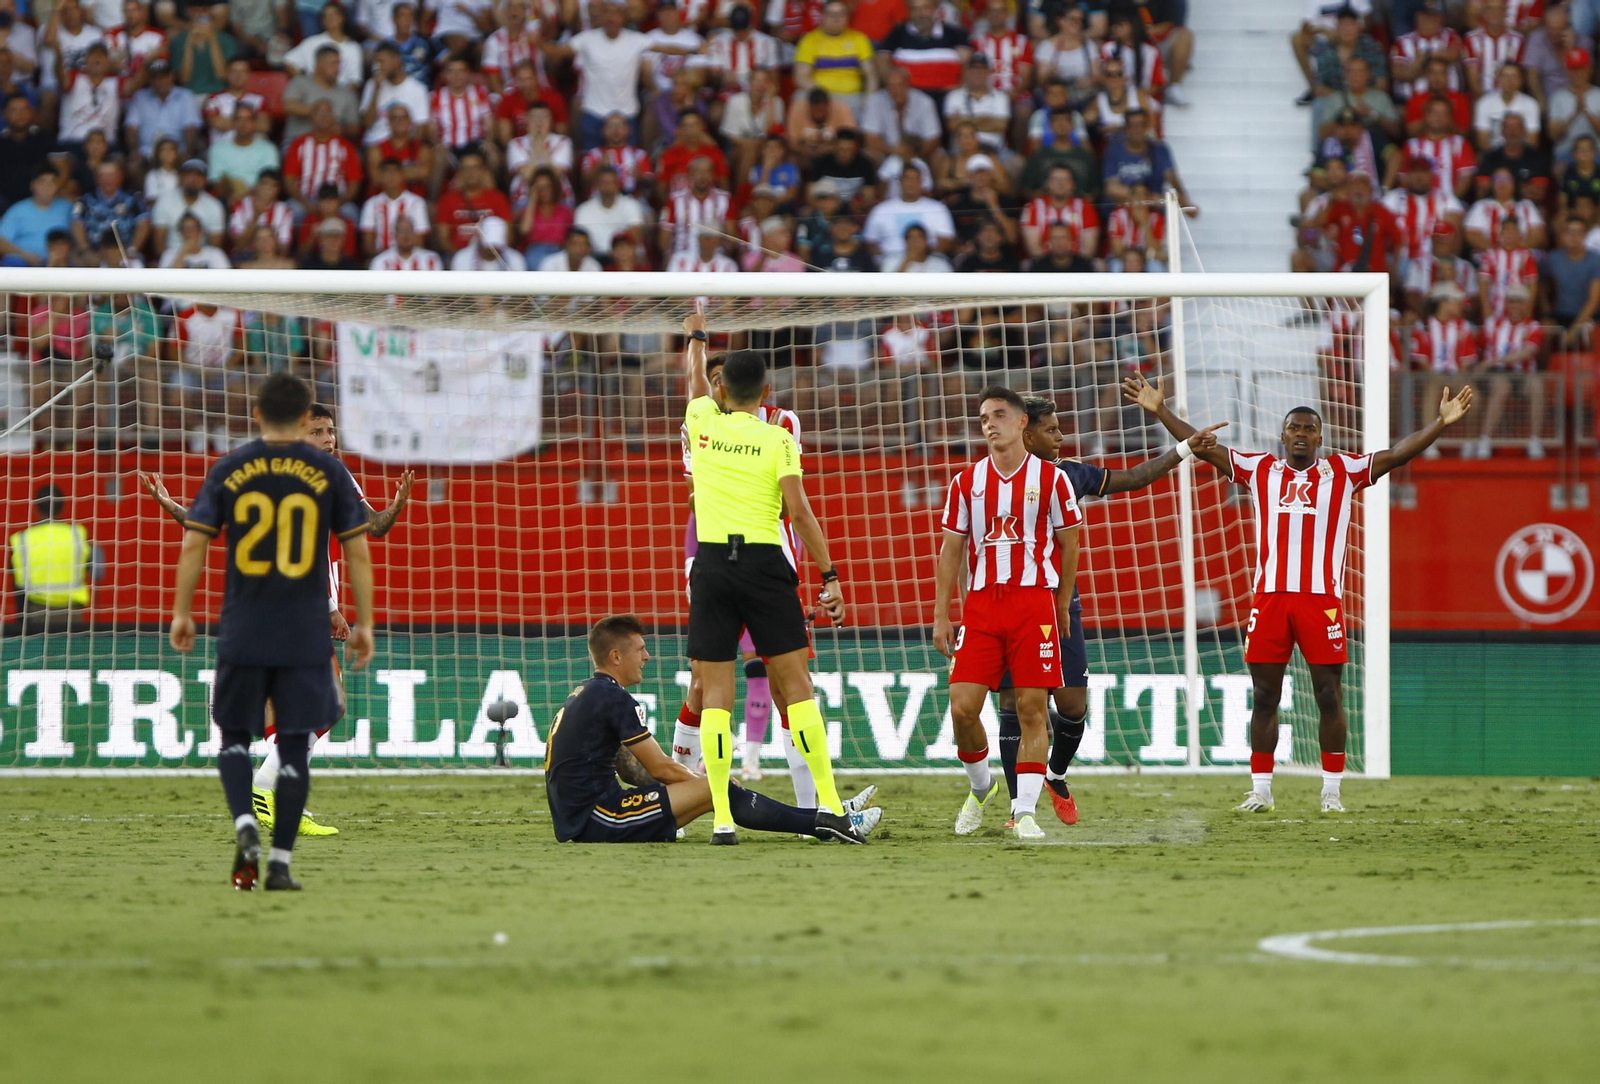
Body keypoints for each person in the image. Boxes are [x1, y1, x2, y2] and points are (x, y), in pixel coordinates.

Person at [1123, 371, 1474, 813]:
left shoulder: (1343, 471)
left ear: (1321, 437)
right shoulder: (1260, 469)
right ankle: (1262, 790)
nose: (1302, 433)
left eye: (1310, 428)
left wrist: (1440, 424)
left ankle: (1331, 791)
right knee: (1266, 695)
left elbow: (1396, 454)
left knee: (1328, 693)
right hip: (1270, 599)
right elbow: (1204, 446)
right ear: (1282, 435)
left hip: (1320, 601)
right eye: (1295, 427)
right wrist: (1160, 411)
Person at [143, 402, 415, 839]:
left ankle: (277, 796)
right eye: (319, 431)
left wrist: (397, 505)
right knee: (328, 702)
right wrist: (328, 608)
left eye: (332, 431)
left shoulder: (332, 476)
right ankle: (266, 789)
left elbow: (375, 528)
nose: (330, 439)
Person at [167, 373, 374, 890]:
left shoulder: (232, 469)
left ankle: (245, 822)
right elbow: (359, 546)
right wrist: (361, 618)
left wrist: (181, 612)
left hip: (244, 620)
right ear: (304, 418)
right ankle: (280, 860)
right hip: (301, 619)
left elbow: (195, 541)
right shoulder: (327, 473)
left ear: (257, 415)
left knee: (237, 733)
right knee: (307, 722)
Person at [990, 397, 1223, 825]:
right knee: (1012, 700)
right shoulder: (992, 480)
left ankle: (1055, 774)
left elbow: (1135, 478)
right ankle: (1015, 809)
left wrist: (1186, 448)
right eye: (1052, 430)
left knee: (1074, 708)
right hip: (1007, 606)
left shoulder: (1069, 474)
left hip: (1058, 606)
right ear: (1027, 433)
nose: (1061, 436)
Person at [679, 313, 852, 844]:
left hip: (711, 566)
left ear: (721, 388)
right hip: (765, 564)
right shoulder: (778, 440)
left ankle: (724, 819)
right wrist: (830, 575)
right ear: (768, 391)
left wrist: (695, 337)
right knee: (797, 688)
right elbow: (799, 512)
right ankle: (828, 806)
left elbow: (691, 380)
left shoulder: (702, 420)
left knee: (715, 695)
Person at [545, 615, 881, 844]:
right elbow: (659, 767)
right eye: (640, 649)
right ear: (616, 656)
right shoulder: (614, 698)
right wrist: (712, 786)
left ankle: (829, 816)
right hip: (602, 817)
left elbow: (632, 771)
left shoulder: (588, 693)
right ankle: (828, 824)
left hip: (585, 817)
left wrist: (707, 787)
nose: (647, 656)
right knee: (718, 791)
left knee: (716, 792)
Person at [932, 385, 1084, 841]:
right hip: (981, 605)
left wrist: (1060, 603)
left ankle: (1025, 812)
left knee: (1032, 708)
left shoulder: (1053, 480)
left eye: (998, 414)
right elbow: (951, 550)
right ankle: (982, 789)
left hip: (1032, 601)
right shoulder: (966, 482)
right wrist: (943, 614)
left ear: (1021, 423)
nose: (990, 423)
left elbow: (1071, 541)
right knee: (962, 708)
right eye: (983, 418)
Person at [9, 484, 102, 634]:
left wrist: (21, 622)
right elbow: (96, 570)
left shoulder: (22, 540)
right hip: (72, 613)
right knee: (71, 654)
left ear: (37, 507)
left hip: (36, 613)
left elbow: (17, 586)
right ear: (63, 507)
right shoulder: (77, 535)